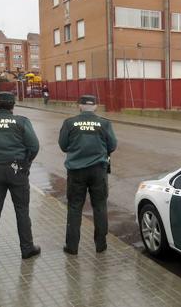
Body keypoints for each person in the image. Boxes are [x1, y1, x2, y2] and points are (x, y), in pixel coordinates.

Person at [0, 92, 41, 260]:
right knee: (22, 210)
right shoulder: (21, 121)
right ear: (13, 105)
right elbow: (34, 146)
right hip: (17, 169)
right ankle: (27, 249)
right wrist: (26, 162)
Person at [59, 95, 117, 255]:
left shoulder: (69, 123)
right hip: (98, 171)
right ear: (96, 106)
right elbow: (112, 145)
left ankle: (72, 247)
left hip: (76, 171)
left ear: (79, 106)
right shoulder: (104, 123)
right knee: (99, 206)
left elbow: (63, 146)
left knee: (74, 207)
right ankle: (101, 245)